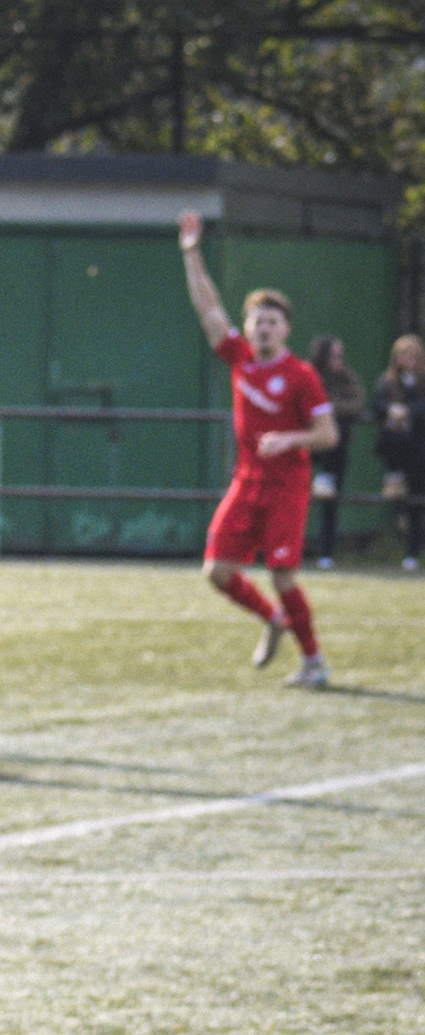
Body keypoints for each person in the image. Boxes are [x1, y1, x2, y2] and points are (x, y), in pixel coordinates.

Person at [177, 212, 336, 688]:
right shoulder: (240, 359)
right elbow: (208, 308)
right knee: (217, 572)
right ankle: (273, 620)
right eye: (256, 320)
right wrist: (191, 253)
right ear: (247, 326)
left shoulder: (302, 375)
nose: (263, 327)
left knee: (283, 574)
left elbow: (329, 434)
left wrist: (291, 438)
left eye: (273, 320)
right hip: (247, 481)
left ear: (286, 328)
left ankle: (314, 661)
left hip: (287, 484)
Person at [305, 335, 362, 568]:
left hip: (336, 445)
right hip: (307, 442)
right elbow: (303, 404)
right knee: (293, 496)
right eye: (333, 355)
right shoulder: (309, 374)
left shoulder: (347, 378)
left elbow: (358, 404)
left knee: (330, 499)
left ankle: (326, 553)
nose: (338, 360)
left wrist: (326, 408)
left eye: (341, 355)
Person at [373, 333, 424, 572]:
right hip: (396, 448)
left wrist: (407, 412)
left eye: (413, 355)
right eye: (404, 355)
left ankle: (413, 551)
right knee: (401, 500)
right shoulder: (387, 380)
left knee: (416, 499)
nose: (409, 360)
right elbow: (377, 403)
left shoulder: (422, 381)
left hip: (419, 451)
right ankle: (392, 477)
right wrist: (391, 410)